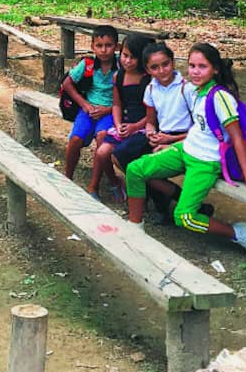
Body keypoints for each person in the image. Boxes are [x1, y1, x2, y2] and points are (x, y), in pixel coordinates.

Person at [125, 42, 246, 258]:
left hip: (206, 161)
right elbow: (199, 128)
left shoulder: (220, 97)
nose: (195, 71)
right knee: (135, 169)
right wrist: (172, 144)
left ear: (215, 68)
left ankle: (236, 232)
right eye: (192, 65)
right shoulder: (196, 90)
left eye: (202, 66)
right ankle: (135, 228)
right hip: (185, 149)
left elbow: (237, 138)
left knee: (184, 217)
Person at [87, 34, 154, 202]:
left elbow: (154, 112)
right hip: (125, 124)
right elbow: (117, 104)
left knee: (120, 156)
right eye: (125, 55)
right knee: (102, 152)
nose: (128, 61)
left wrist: (135, 126)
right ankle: (115, 183)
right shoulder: (119, 77)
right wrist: (118, 125)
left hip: (144, 126)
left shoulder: (149, 80)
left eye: (133, 57)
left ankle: (139, 189)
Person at [140, 42, 196, 224]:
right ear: (147, 70)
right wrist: (151, 133)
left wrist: (171, 140)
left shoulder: (186, 88)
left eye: (165, 64)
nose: (162, 71)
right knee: (136, 160)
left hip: (187, 137)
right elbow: (150, 121)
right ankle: (163, 205)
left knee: (146, 169)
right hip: (163, 135)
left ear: (173, 62)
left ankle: (180, 203)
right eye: (154, 67)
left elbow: (199, 129)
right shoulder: (151, 89)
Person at [62, 25, 119, 186]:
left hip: (110, 112)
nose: (103, 50)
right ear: (92, 46)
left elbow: (126, 96)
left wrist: (108, 109)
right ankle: (67, 178)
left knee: (102, 139)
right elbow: (67, 83)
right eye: (99, 46)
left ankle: (93, 186)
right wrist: (84, 104)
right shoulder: (87, 65)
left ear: (116, 46)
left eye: (108, 45)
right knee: (75, 140)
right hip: (88, 110)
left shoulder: (121, 68)